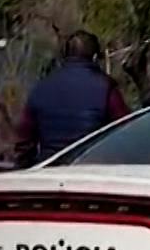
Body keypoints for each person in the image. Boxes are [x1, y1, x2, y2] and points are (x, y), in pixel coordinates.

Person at [14, 31, 130, 166]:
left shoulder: (42, 87)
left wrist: (26, 166)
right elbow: (125, 131)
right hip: (91, 170)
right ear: (94, 57)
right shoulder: (106, 88)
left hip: (49, 169)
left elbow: (25, 139)